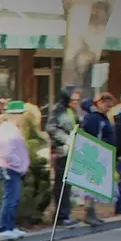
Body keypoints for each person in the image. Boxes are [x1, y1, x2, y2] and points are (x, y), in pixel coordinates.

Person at [0, 100, 30, 240]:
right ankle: (3, 228)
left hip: (13, 167)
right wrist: (19, 164)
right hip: (9, 167)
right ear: (14, 115)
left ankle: (10, 226)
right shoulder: (7, 130)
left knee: (13, 198)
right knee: (10, 198)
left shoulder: (11, 128)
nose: (22, 117)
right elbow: (7, 152)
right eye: (20, 114)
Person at [80, 91, 116, 226]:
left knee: (94, 186)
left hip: (100, 155)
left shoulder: (101, 117)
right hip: (94, 155)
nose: (108, 109)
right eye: (107, 106)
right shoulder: (94, 118)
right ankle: (88, 212)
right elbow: (94, 137)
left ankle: (92, 212)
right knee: (90, 186)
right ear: (100, 103)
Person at [45, 87, 78, 226]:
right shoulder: (58, 110)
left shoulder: (71, 111)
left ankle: (66, 213)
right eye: (73, 99)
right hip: (61, 150)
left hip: (70, 150)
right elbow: (51, 127)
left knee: (68, 185)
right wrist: (66, 139)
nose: (76, 102)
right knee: (61, 184)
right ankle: (60, 216)